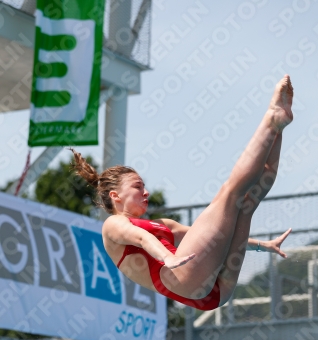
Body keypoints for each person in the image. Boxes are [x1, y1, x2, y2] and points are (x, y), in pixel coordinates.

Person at [71, 75, 293, 311]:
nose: (146, 192)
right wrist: (167, 258)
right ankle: (272, 117)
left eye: (144, 186)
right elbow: (140, 239)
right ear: (115, 196)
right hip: (185, 278)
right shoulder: (112, 225)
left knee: (247, 203)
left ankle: (278, 129)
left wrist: (263, 245)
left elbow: (218, 236)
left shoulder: (163, 225)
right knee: (229, 193)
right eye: (137, 187)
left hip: (216, 291)